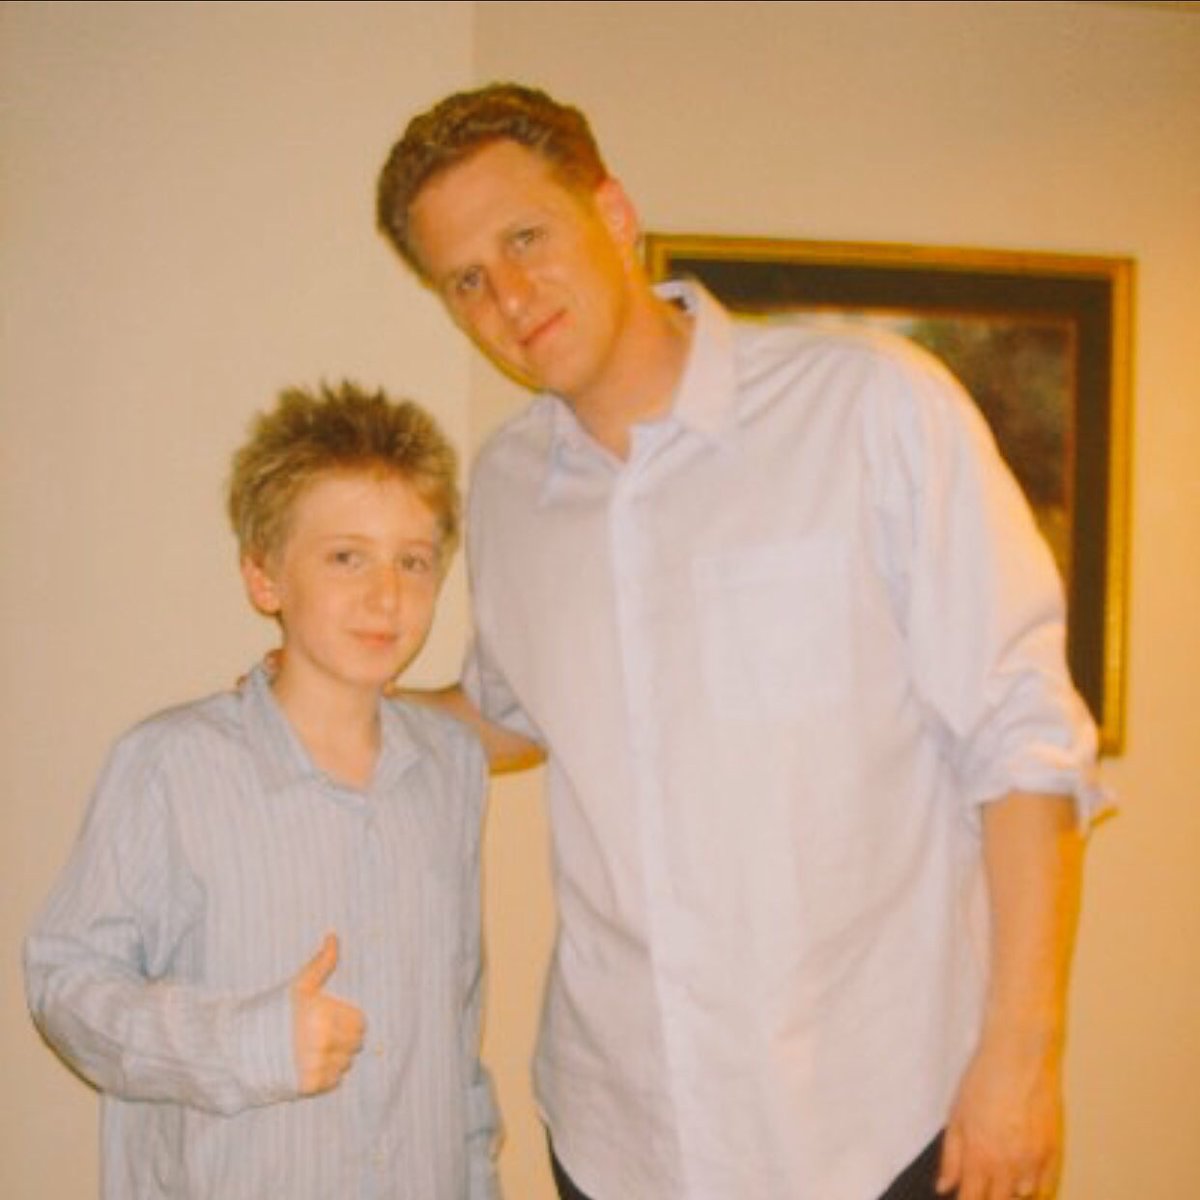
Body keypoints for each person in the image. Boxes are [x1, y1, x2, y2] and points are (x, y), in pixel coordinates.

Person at [374, 83, 1106, 1200]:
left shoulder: (868, 409)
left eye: (525, 238)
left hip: (882, 1126)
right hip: (620, 1135)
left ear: (612, 211)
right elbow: (508, 714)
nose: (509, 297)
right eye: (465, 280)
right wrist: (327, 699)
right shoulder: (510, 489)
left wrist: (1022, 1056)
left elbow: (1025, 743)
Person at [24, 381, 501, 1199]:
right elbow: (65, 985)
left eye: (413, 561)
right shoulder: (170, 767)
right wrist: (246, 1043)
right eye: (346, 556)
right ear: (264, 577)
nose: (386, 594)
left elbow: (455, 1031)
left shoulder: (451, 767)